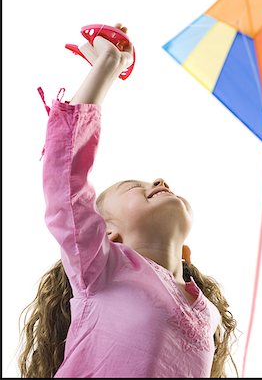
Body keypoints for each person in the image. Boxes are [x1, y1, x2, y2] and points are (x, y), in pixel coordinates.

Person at [18, 24, 239, 378]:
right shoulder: (101, 269)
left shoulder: (207, 314)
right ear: (104, 236)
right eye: (135, 186)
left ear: (186, 254)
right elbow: (65, 178)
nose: (159, 181)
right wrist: (107, 63)